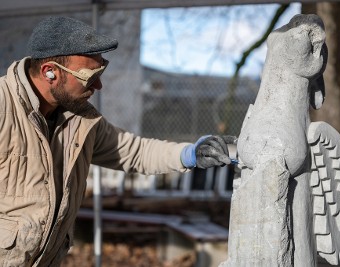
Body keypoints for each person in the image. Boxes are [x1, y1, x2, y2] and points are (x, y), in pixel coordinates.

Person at [0, 16, 236, 266]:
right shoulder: (4, 107)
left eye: (101, 72)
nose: (98, 85)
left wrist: (189, 154)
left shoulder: (81, 120)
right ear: (50, 72)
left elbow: (133, 151)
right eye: (89, 77)